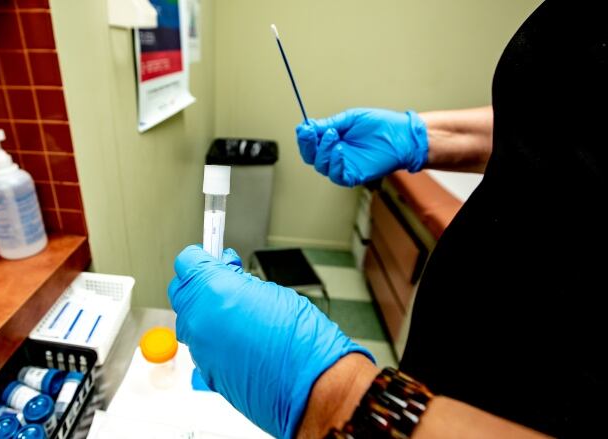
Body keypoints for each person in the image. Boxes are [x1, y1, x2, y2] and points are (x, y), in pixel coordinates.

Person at [168, 1, 605, 438]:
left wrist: (336, 399)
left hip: (541, 390)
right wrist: (425, 137)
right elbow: (565, 129)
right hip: (452, 371)